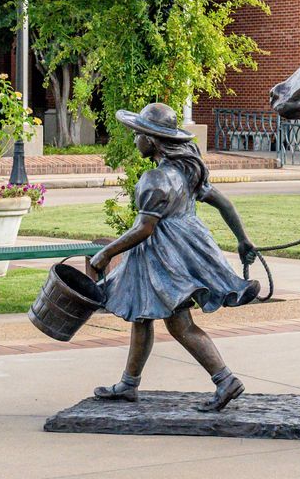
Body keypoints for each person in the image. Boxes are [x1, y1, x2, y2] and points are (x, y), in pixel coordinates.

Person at [86, 102, 263, 411]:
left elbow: (144, 229)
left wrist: (105, 253)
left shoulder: (156, 179)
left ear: (152, 140)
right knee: (141, 315)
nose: (134, 140)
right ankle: (129, 384)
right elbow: (225, 204)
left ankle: (225, 380)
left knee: (179, 324)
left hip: (167, 261)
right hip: (173, 255)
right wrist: (243, 239)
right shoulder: (186, 174)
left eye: (138, 134)